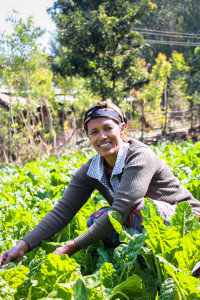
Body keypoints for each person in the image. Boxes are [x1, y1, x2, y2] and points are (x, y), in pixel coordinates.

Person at [1, 99, 200, 269]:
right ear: (88, 137)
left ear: (122, 129)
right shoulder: (91, 169)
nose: (102, 136)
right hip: (148, 221)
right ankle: (134, 268)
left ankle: (174, 262)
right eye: (94, 132)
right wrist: (23, 245)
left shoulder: (140, 155)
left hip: (188, 221)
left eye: (108, 128)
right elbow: (62, 211)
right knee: (96, 220)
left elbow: (122, 208)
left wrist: (70, 247)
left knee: (138, 210)